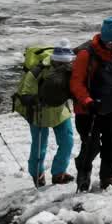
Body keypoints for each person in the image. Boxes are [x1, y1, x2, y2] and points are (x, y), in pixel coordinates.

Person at [71, 16, 112, 192]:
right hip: (87, 111)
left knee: (111, 144)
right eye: (110, 42)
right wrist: (88, 102)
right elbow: (76, 83)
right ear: (103, 38)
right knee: (91, 145)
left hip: (110, 107)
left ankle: (108, 176)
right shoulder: (86, 54)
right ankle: (84, 174)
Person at [14, 40, 76, 187]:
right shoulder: (38, 70)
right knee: (39, 146)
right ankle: (37, 173)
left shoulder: (71, 68)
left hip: (60, 111)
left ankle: (59, 173)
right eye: (60, 63)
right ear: (54, 59)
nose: (63, 66)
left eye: (66, 63)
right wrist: (35, 100)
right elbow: (25, 92)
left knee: (67, 142)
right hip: (39, 112)